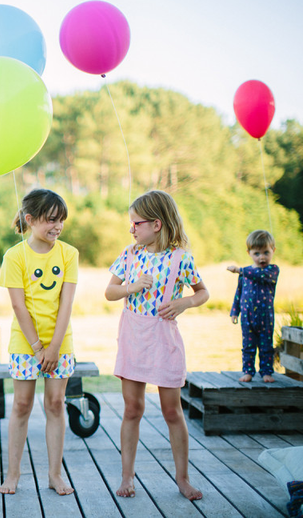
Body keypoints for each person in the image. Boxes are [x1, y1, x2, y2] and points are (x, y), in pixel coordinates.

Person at [105, 190, 209, 501]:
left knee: (172, 411)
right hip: (133, 338)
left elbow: (203, 292)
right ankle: (127, 476)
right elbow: (110, 292)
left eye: (136, 223)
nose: (132, 229)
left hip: (164, 340)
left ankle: (182, 478)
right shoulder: (129, 255)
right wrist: (132, 286)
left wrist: (185, 302)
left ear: (157, 224)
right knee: (132, 409)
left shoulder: (181, 258)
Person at [0, 188, 78, 496]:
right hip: (25, 343)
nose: (57, 227)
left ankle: (55, 475)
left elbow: (67, 303)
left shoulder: (69, 254)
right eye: (51, 220)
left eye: (61, 221)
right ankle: (13, 475)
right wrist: (37, 348)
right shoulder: (14, 256)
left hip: (60, 342)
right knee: (21, 404)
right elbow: (18, 307)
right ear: (30, 220)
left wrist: (54, 347)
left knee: (55, 404)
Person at [227, 230, 279, 383]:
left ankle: (266, 372)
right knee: (248, 346)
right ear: (249, 253)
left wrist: (239, 270)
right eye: (257, 253)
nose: (262, 257)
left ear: (273, 251)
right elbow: (239, 293)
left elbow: (259, 275)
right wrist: (234, 312)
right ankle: (248, 371)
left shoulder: (272, 270)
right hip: (248, 317)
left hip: (266, 317)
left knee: (266, 346)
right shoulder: (245, 273)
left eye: (266, 252)